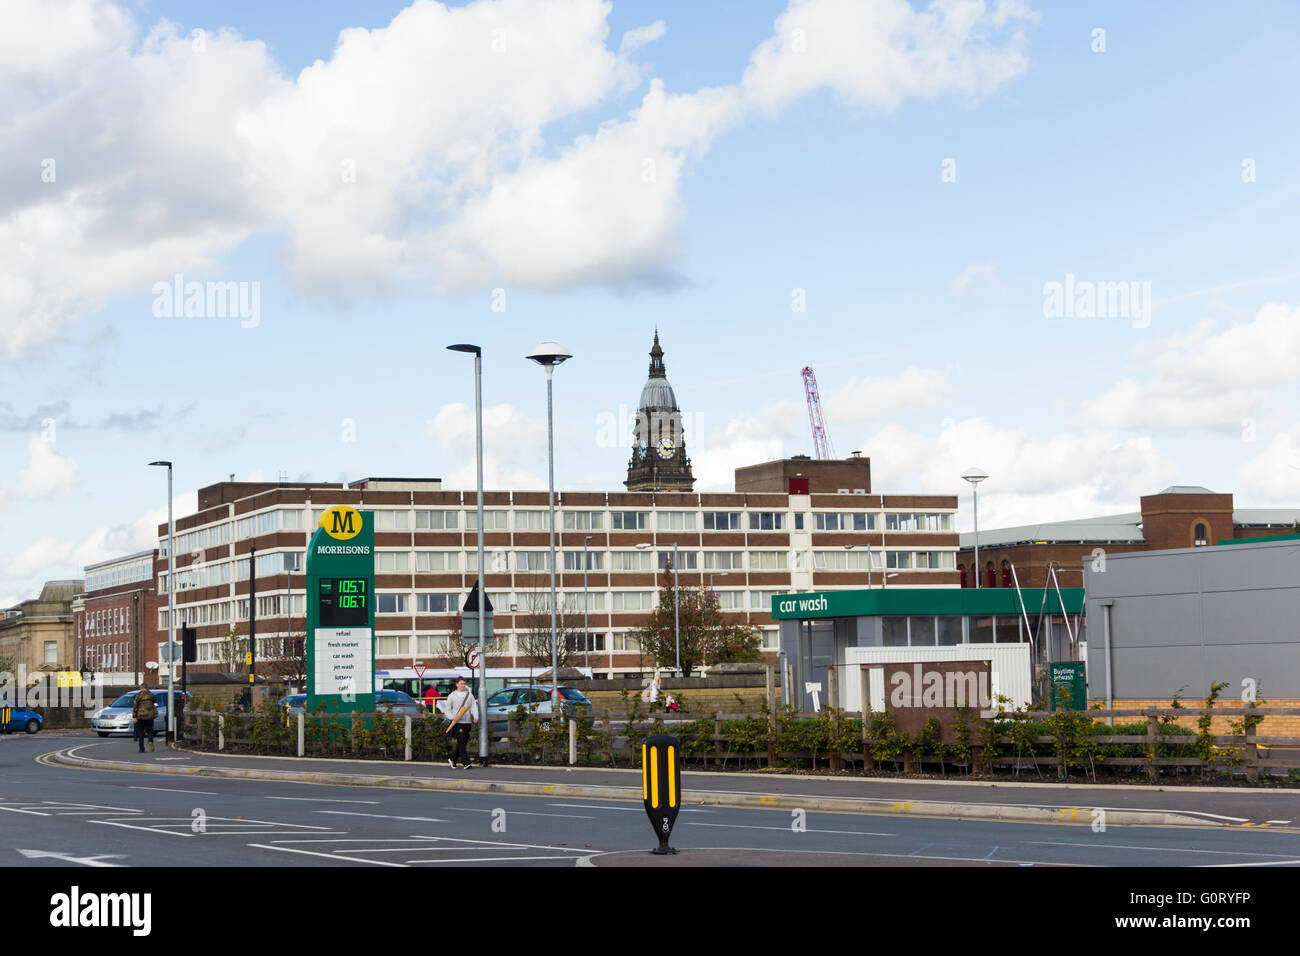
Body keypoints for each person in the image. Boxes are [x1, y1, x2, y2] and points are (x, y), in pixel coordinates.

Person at [443, 677, 478, 770]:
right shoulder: (452, 696)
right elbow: (447, 710)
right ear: (457, 684)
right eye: (461, 683)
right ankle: (466, 762)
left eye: (464, 684)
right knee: (462, 742)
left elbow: (473, 706)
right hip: (458, 723)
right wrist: (452, 717)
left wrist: (475, 717)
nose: (463, 685)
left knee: (463, 743)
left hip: (467, 722)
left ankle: (452, 759)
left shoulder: (469, 695)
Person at [132, 683, 158, 753]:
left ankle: (141, 748)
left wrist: (134, 717)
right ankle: (150, 741)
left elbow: (135, 707)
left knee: (141, 733)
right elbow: (155, 703)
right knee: (150, 731)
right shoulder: (152, 695)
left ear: (141, 688)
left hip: (140, 716)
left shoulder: (138, 696)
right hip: (149, 716)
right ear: (147, 688)